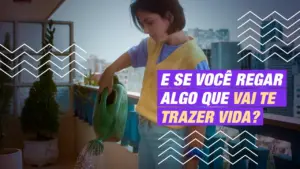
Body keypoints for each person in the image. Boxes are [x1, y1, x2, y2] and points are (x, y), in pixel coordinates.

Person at [98, 0, 209, 168]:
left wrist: (192, 161)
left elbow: (200, 116)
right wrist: (109, 70)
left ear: (169, 17)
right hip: (145, 131)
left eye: (149, 22)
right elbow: (132, 55)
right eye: (143, 23)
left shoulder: (195, 60)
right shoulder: (153, 44)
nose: (145, 30)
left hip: (170, 137)